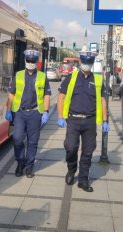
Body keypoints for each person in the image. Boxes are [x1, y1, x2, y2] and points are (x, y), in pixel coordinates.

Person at [57, 50, 110, 192]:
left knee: (88, 151)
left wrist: (105, 120)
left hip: (90, 121)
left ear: (92, 64)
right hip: (73, 119)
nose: (86, 65)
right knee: (70, 147)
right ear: (80, 62)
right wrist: (60, 117)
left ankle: (83, 179)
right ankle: (71, 169)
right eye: (84, 62)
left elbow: (103, 101)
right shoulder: (71, 77)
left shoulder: (98, 80)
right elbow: (61, 97)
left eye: (89, 62)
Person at [5, 48, 51, 178]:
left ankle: (29, 166)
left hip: (35, 113)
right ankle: (20, 162)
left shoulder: (42, 76)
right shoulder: (18, 75)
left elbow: (47, 95)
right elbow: (11, 93)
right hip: (20, 113)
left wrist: (46, 111)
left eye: (33, 60)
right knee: (17, 138)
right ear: (25, 61)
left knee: (33, 141)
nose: (30, 62)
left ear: (37, 62)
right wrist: (9, 109)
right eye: (28, 60)